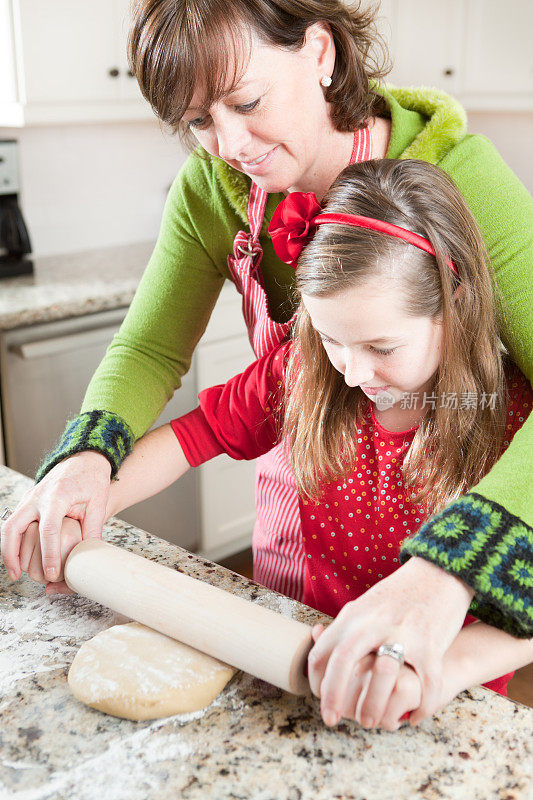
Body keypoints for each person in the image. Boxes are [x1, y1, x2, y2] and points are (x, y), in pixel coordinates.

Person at [1, 0, 532, 726]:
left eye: (245, 101)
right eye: (195, 121)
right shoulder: (220, 209)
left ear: (319, 52)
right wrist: (86, 461)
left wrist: (446, 575)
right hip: (311, 476)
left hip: (445, 550)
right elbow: (151, 350)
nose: (226, 144)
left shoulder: (458, 182)